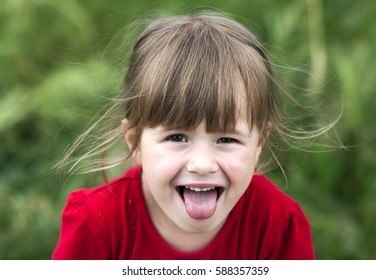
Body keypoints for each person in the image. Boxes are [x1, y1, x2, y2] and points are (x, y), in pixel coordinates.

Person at [52, 11, 318, 259]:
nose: (202, 165)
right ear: (135, 143)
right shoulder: (98, 222)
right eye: (177, 137)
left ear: (258, 145)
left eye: (227, 139)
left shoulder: (278, 224)